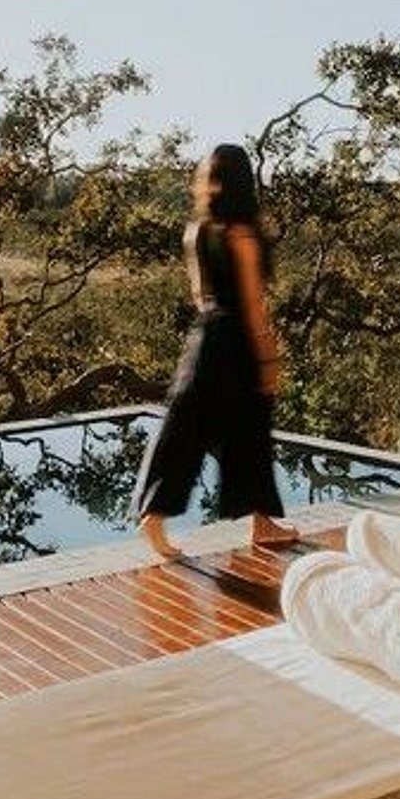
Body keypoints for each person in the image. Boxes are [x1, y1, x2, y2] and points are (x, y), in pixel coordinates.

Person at [132, 144, 295, 558]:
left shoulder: (197, 232)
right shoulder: (242, 235)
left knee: (186, 427)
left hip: (205, 337)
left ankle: (160, 517)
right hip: (236, 341)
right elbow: (253, 305)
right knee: (250, 429)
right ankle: (258, 523)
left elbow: (199, 295)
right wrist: (268, 358)